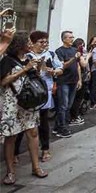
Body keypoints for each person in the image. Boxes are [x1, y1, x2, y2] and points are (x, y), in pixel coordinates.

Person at [1, 34, 48, 185]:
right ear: (19, 44)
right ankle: (10, 172)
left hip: (28, 102)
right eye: (27, 42)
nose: (30, 44)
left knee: (33, 133)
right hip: (12, 103)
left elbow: (34, 78)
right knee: (11, 137)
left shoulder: (28, 58)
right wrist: (24, 69)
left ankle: (36, 167)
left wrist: (38, 67)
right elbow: (3, 81)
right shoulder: (7, 60)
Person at [27, 31, 63, 162]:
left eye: (46, 42)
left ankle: (45, 149)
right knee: (24, 122)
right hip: (28, 91)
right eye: (41, 42)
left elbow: (60, 69)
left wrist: (53, 71)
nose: (44, 45)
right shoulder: (26, 55)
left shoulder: (51, 55)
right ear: (32, 42)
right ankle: (14, 153)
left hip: (44, 91)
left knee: (43, 121)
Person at [55, 31, 82, 138]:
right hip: (64, 81)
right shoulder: (59, 51)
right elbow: (63, 66)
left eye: (72, 37)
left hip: (73, 81)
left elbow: (78, 66)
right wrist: (74, 58)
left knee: (68, 105)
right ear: (64, 39)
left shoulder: (75, 50)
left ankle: (57, 126)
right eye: (70, 37)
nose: (72, 39)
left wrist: (79, 79)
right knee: (63, 105)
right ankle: (63, 127)